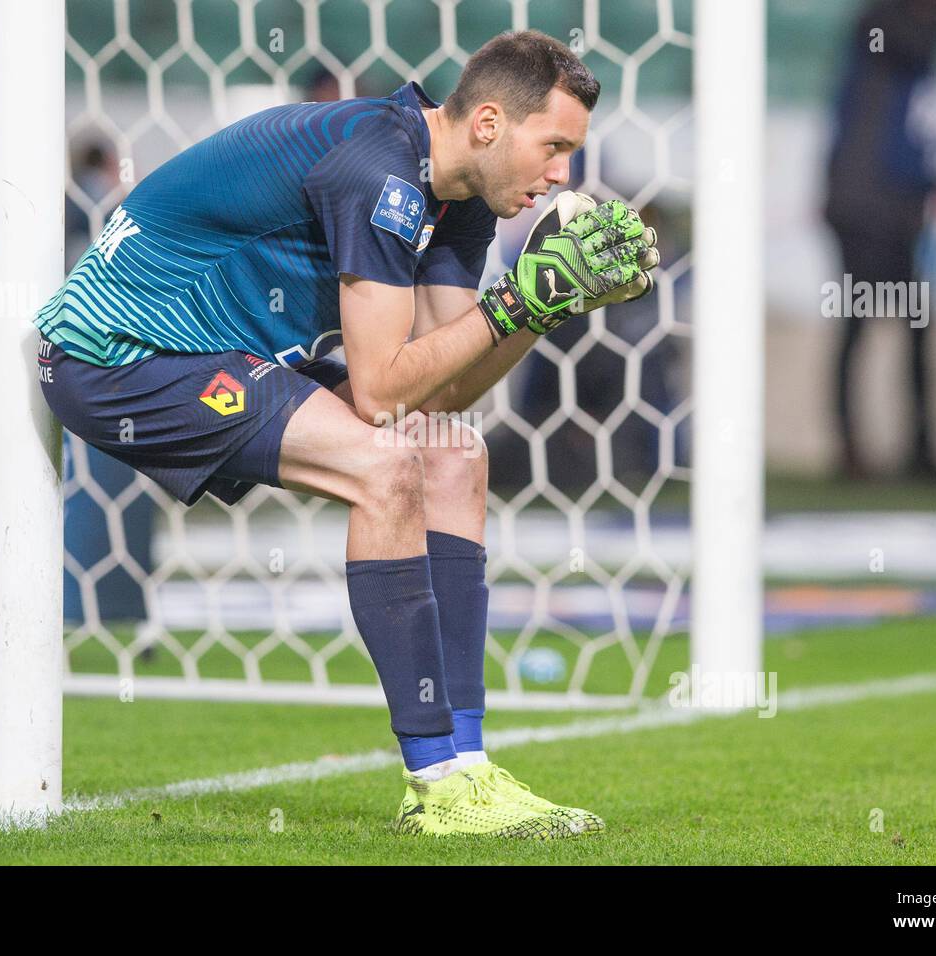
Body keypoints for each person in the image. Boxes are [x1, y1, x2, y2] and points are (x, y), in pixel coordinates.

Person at [34, 31, 658, 838]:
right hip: (117, 354)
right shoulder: (380, 168)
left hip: (224, 355)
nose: (564, 174)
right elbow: (383, 388)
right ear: (490, 123)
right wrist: (515, 306)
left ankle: (468, 768)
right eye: (556, 146)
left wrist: (538, 309)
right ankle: (435, 781)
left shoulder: (457, 198)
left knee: (452, 455)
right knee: (383, 465)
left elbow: (441, 387)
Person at [823, 0, 936, 480]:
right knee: (859, 324)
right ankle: (850, 449)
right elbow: (915, 47)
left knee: (915, 327)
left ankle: (920, 449)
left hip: (900, 206)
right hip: (863, 205)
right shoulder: (880, 23)